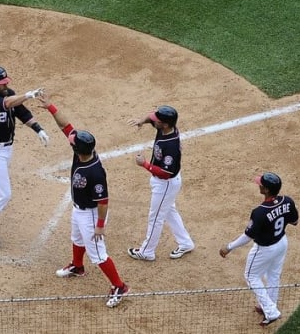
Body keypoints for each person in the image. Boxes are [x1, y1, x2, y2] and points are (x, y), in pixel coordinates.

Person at [36, 91, 130, 308]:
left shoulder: (95, 172)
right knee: (77, 239)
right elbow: (66, 126)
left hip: (92, 214)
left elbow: (103, 201)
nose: (70, 138)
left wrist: (99, 226)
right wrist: (51, 107)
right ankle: (77, 266)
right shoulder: (82, 152)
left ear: (77, 149)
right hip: (80, 210)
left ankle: (119, 286)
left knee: (98, 254)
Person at [0, 66, 49, 250]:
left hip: (5, 150)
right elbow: (8, 103)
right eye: (1, 83)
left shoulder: (8, 93)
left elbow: (22, 113)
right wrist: (28, 95)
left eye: (6, 82)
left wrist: (39, 130)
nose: (5, 86)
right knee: (3, 193)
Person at [220, 172, 299, 327]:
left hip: (265, 249)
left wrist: (229, 247)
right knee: (273, 276)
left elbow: (248, 236)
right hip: (282, 243)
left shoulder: (260, 212)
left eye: (261, 184)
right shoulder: (287, 201)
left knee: (251, 277)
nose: (259, 185)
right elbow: (295, 221)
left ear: (267, 190)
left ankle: (271, 311)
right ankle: (270, 306)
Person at [127, 105, 195, 261]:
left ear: (164, 124)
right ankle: (186, 243)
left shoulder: (171, 145)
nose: (153, 121)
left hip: (166, 184)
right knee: (169, 211)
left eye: (157, 121)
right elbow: (151, 116)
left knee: (156, 217)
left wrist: (144, 164)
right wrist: (141, 121)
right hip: (165, 184)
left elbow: (166, 173)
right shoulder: (165, 127)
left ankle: (147, 251)